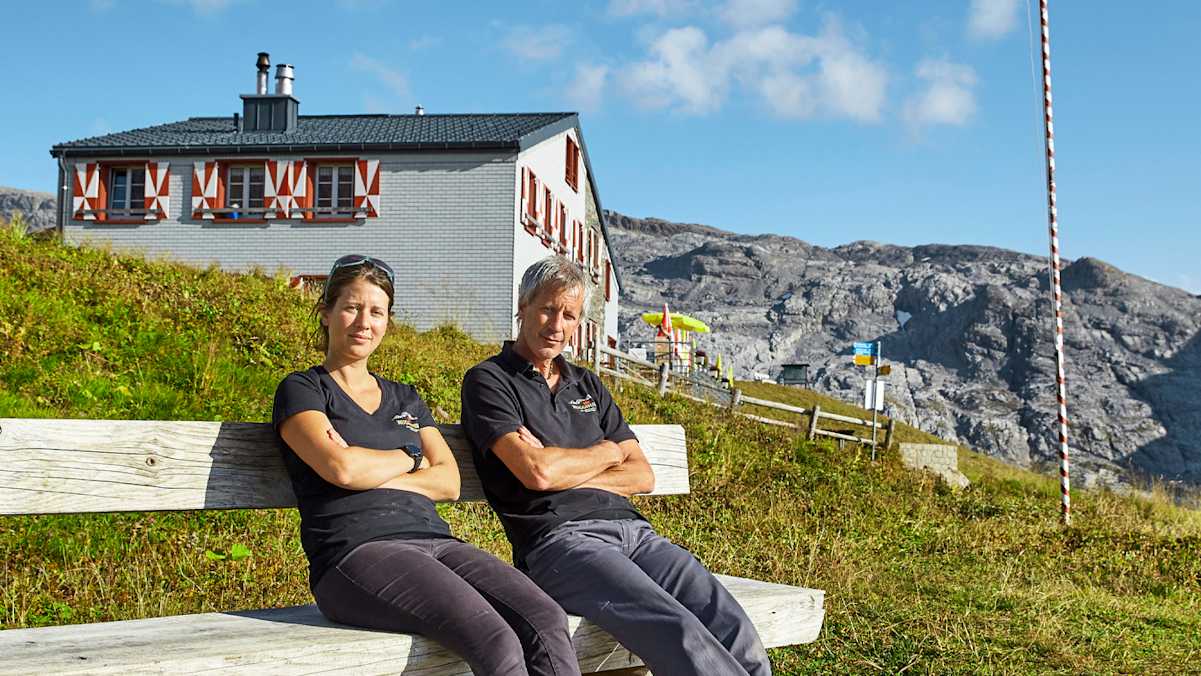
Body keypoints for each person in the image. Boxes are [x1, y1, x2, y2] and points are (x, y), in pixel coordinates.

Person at [460, 255, 772, 676]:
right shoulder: (489, 381)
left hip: (636, 535)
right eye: (547, 309)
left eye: (568, 315)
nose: (556, 324)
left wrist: (564, 467)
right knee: (678, 629)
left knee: (733, 627)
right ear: (523, 307)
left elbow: (642, 475)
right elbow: (537, 473)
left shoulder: (587, 384)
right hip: (561, 544)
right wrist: (608, 453)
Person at [272, 254, 580, 676]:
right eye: (351, 307)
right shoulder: (304, 389)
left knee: (545, 618)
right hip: (355, 554)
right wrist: (409, 457)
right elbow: (340, 468)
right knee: (496, 637)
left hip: (436, 542)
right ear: (326, 314)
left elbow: (449, 481)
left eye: (376, 312)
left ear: (387, 322)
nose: (364, 322)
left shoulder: (405, 398)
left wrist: (373, 471)